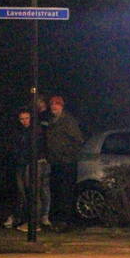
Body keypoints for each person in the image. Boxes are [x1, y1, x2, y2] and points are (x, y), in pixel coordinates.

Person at [5, 108, 51, 230]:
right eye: (22, 119)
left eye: (27, 118)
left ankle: (35, 222)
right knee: (23, 193)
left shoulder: (37, 131)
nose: (24, 121)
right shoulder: (19, 131)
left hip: (33, 163)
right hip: (22, 163)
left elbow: (37, 148)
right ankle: (25, 219)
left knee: (34, 192)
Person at [45, 96, 84, 227]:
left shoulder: (68, 121)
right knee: (56, 191)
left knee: (66, 191)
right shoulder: (51, 121)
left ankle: (66, 220)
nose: (54, 107)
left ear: (62, 106)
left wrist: (67, 154)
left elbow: (78, 141)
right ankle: (58, 219)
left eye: (57, 105)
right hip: (55, 162)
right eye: (52, 105)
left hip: (67, 162)